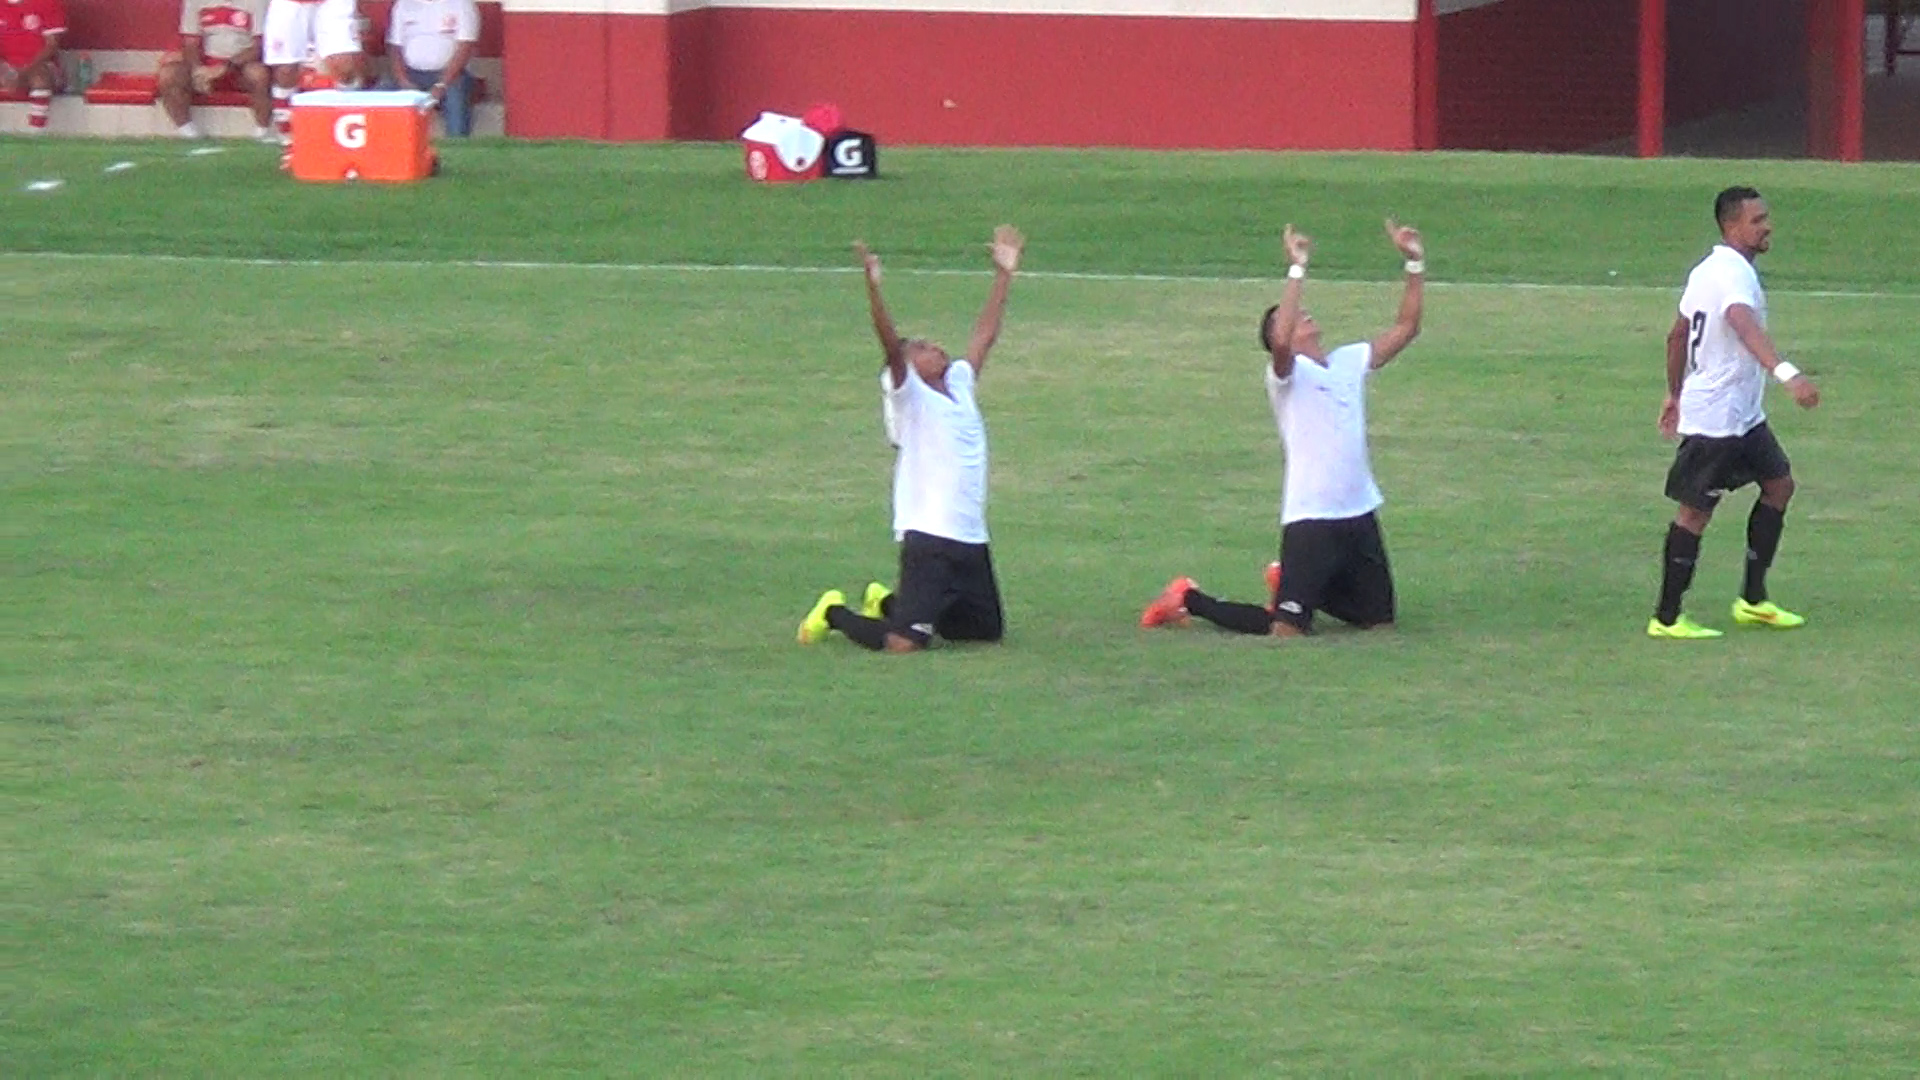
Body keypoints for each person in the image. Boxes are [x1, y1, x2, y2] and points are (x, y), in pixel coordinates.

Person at [1140, 220, 1426, 638]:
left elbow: (1406, 328)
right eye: (1290, 320)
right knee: (1287, 631)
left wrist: (1415, 264)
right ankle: (1188, 599)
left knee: (1379, 621)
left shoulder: (1349, 361)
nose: (1303, 317)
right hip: (1311, 518)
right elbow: (1280, 344)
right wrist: (1296, 270)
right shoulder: (1287, 377)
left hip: (1359, 511)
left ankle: (1294, 581)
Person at [796, 226, 1025, 653]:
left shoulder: (958, 382)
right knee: (907, 642)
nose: (935, 347)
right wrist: (873, 288)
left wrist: (1004, 274)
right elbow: (887, 342)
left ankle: (886, 601)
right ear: (908, 365)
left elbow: (984, 336)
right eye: (921, 347)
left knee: (982, 631)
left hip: (970, 535)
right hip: (929, 535)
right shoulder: (908, 396)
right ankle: (833, 612)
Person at [1648, 186, 1821, 639]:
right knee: (1694, 513)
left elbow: (1677, 335)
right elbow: (1742, 324)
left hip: (1742, 413)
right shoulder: (1734, 277)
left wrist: (1673, 392)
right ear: (1732, 227)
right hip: (1717, 419)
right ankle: (1666, 618)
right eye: (1757, 220)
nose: (1767, 227)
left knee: (1779, 485)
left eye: (1766, 217)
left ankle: (1752, 599)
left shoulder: (1707, 271)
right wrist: (1788, 374)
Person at [156, 0, 274, 141]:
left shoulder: (259, 2)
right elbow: (190, 42)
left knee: (258, 74)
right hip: (207, 62)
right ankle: (187, 131)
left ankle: (263, 131)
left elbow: (259, 46)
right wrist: (198, 70)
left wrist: (225, 67)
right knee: (169, 74)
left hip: (242, 63)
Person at [263, 0, 366, 149]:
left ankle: (347, 129)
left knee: (345, 66)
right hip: (290, 3)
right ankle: (289, 139)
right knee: (286, 69)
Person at [385, 0, 480, 137]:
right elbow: (395, 47)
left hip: (451, 75)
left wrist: (441, 84)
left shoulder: (462, 5)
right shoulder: (403, 4)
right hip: (411, 74)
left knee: (456, 98)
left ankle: (457, 147)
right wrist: (403, 80)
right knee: (380, 92)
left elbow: (465, 47)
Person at [0, 0, 65, 134]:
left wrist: (23, 72)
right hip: (6, 65)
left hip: (41, 64)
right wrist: (4, 70)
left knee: (39, 74)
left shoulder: (48, 3)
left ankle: (35, 133)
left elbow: (52, 45)